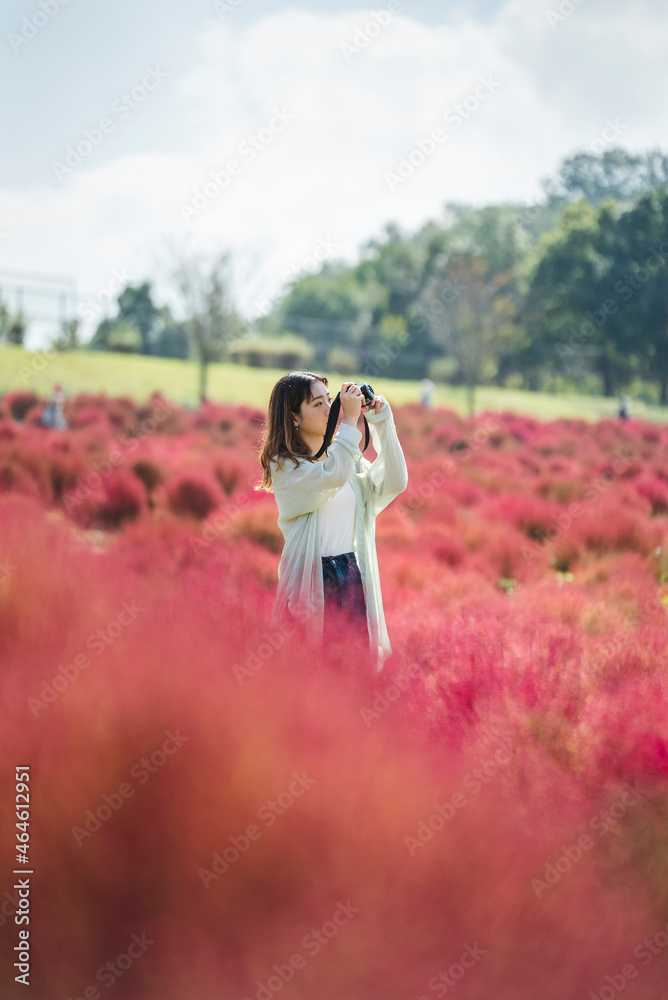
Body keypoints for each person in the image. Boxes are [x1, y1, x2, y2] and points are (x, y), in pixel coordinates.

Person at [257, 371, 409, 673]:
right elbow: (330, 478)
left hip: (351, 574)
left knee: (355, 675)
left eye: (331, 400)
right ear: (294, 417)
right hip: (312, 581)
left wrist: (380, 421)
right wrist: (349, 424)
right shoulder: (287, 466)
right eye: (318, 404)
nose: (331, 409)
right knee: (311, 679)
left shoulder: (344, 458)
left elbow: (395, 481)